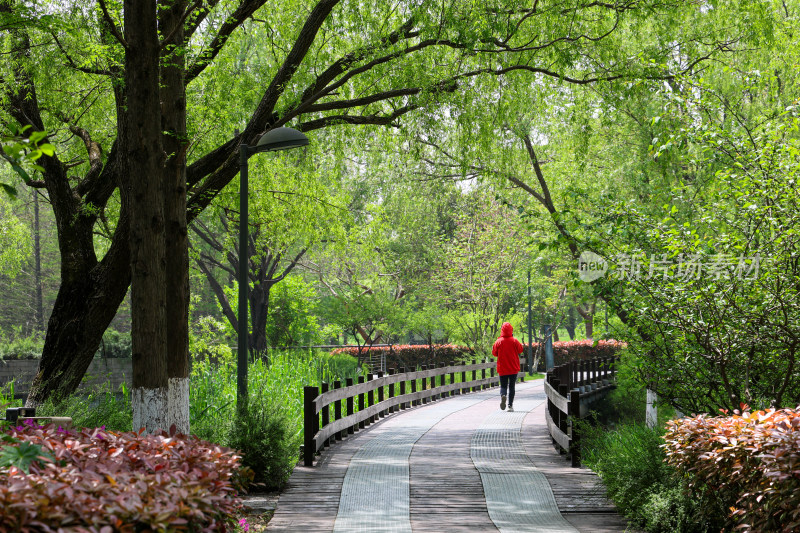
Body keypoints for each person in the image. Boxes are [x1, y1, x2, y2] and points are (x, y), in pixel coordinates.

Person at [491, 322, 523, 412]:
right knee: (512, 387)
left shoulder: (499, 341)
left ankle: (503, 395)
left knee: (503, 386)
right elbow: (520, 350)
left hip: (503, 368)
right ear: (511, 330)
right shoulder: (514, 341)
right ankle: (510, 406)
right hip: (513, 368)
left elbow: (494, 353)